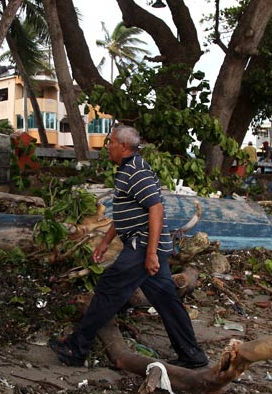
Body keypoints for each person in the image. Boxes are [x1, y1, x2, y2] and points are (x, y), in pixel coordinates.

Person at [49, 125, 208, 369]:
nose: (108, 146)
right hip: (143, 245)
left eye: (111, 142)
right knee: (166, 299)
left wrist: (151, 253)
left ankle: (76, 347)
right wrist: (105, 241)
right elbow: (125, 213)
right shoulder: (126, 171)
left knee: (107, 291)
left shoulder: (137, 172)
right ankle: (192, 355)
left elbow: (156, 210)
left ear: (123, 146)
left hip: (143, 246)